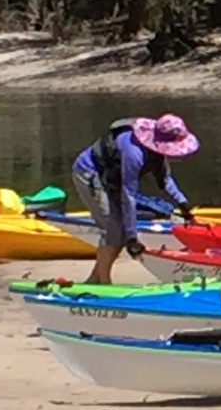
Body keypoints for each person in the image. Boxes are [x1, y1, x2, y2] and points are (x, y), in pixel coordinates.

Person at [68, 113, 195, 285]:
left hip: (111, 179)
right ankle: (104, 283)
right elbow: (128, 196)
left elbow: (164, 179)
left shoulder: (155, 151)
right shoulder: (133, 153)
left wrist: (183, 203)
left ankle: (95, 279)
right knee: (112, 229)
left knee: (117, 231)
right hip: (89, 174)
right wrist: (132, 238)